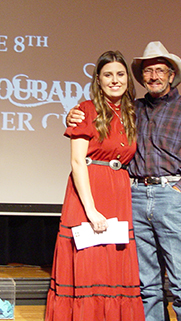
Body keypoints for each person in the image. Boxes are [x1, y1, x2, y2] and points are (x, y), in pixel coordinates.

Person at [67, 41, 181, 321]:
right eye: (148, 71)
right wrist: (73, 115)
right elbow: (98, 125)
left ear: (172, 75)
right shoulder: (131, 109)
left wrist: (178, 189)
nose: (154, 76)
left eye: (160, 70)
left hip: (172, 198)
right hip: (135, 197)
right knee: (147, 285)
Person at [45, 50, 145, 321]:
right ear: (98, 80)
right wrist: (91, 210)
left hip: (119, 194)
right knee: (91, 267)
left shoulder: (131, 113)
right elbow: (77, 162)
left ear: (127, 79)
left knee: (114, 267)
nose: (115, 80)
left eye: (120, 74)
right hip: (89, 194)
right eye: (108, 75)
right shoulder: (86, 110)